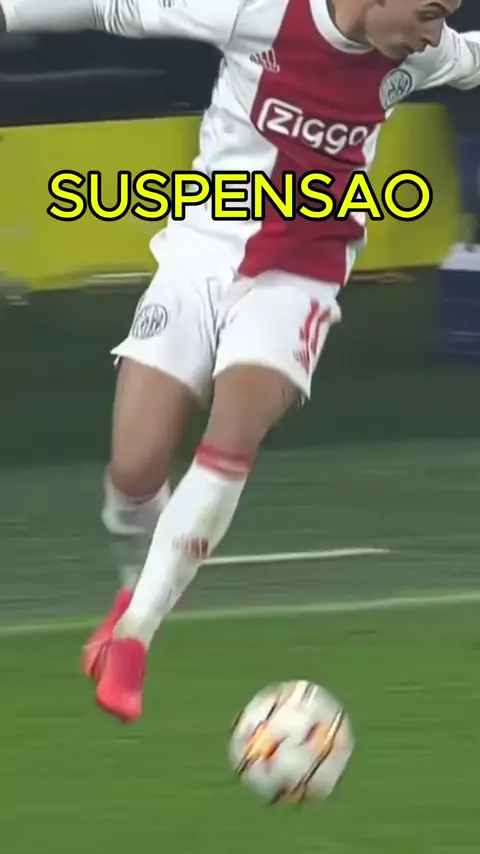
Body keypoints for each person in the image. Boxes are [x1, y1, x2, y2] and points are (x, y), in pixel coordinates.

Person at [1, 0, 479, 723]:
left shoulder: (423, 52)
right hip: (201, 254)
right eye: (427, 13)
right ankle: (134, 590)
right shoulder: (259, 11)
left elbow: (472, 58)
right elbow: (110, 6)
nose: (433, 33)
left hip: (301, 274)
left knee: (233, 434)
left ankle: (136, 637)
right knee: (134, 471)